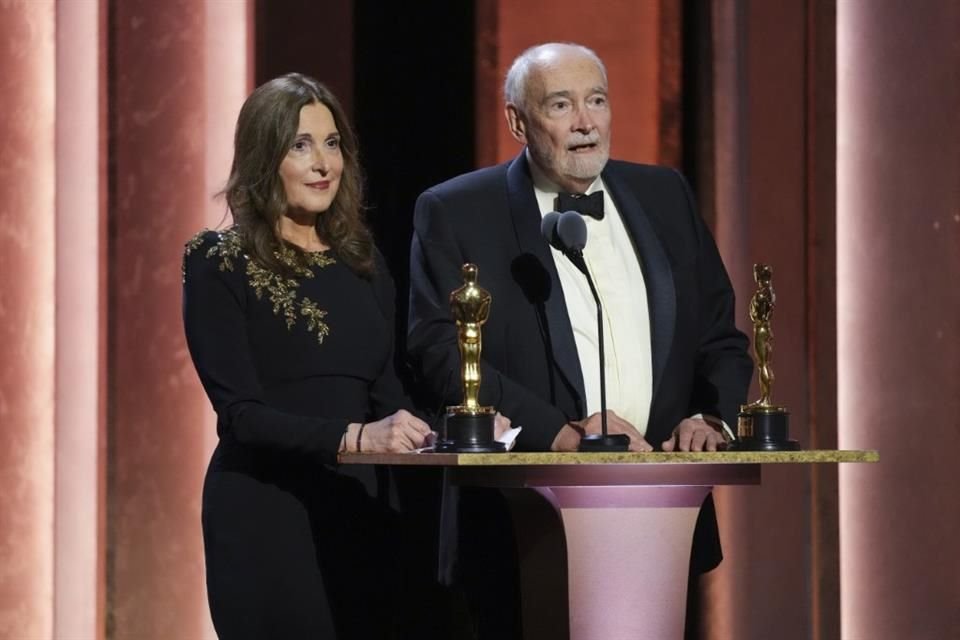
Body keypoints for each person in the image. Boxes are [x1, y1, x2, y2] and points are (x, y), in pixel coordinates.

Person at [407, 43, 753, 637]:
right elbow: (439, 354)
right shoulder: (457, 211)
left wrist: (711, 416)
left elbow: (719, 334)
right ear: (518, 121)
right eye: (561, 105)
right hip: (518, 529)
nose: (586, 123)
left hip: (659, 515)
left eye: (596, 101)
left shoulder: (665, 195)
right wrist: (559, 433)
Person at [182, 73, 432, 639]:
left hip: (359, 513)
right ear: (264, 157)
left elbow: (390, 398)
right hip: (266, 515)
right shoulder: (218, 260)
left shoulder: (363, 263)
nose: (323, 164)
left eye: (332, 143)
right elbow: (240, 415)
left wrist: (463, 430)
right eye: (301, 145)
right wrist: (355, 438)